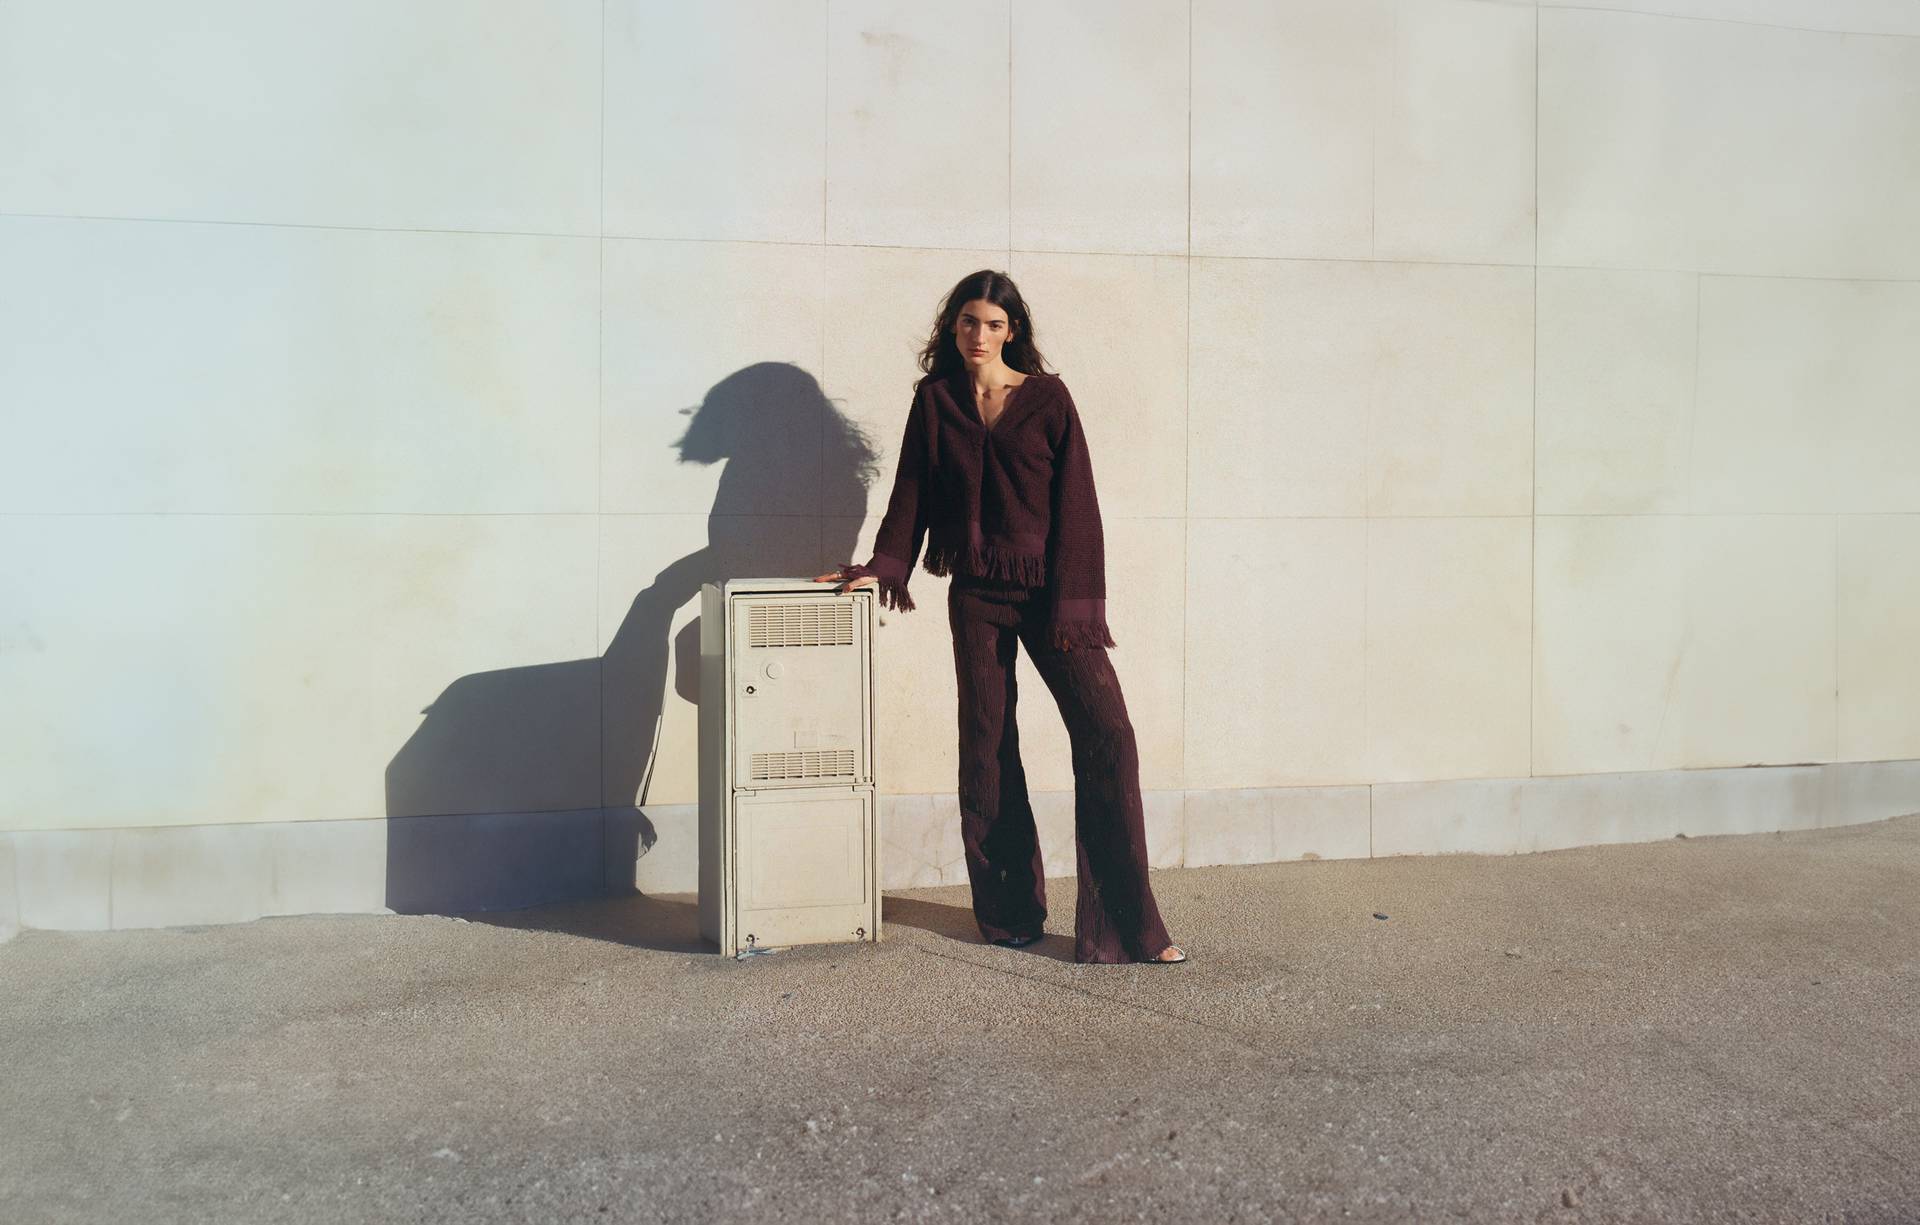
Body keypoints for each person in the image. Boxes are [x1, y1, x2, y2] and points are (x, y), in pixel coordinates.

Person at [813, 270, 1185, 966]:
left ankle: (1131, 925)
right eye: (966, 323)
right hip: (976, 597)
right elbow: (912, 494)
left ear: (1012, 329)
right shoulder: (936, 401)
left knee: (1108, 734)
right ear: (951, 329)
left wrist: (1076, 606)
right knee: (987, 747)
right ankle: (1008, 911)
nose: (977, 335)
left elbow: (1079, 504)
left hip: (1049, 595)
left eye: (991, 323)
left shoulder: (1047, 399)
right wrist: (881, 567)